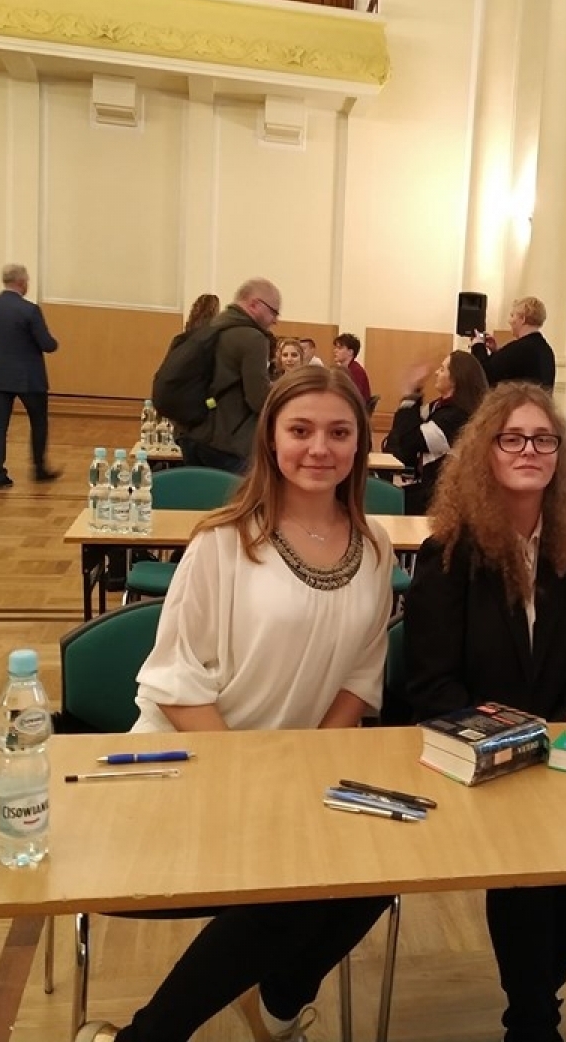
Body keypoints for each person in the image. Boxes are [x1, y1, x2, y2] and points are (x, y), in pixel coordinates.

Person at [75, 366, 395, 1042]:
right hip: (189, 760)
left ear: (359, 445)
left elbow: (363, 673)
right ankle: (149, 1036)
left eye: (339, 433)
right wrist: (260, 773)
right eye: (300, 430)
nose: (320, 448)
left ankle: (281, 996)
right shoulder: (222, 541)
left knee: (381, 864)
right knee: (288, 883)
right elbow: (175, 678)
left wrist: (309, 764)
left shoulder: (374, 547)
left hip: (298, 770)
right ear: (271, 441)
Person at [401, 381, 566, 1042]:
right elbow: (431, 683)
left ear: (560, 455)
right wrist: (504, 742)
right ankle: (532, 1016)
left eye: (543, 439)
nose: (529, 450)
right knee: (529, 858)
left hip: (553, 750)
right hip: (471, 752)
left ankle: (536, 991)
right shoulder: (449, 554)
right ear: (486, 453)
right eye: (512, 438)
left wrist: (557, 737)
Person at [178, 278, 279, 474]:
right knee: (237, 502)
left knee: (198, 501)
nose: (275, 320)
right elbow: (258, 399)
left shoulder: (209, 328)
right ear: (254, 305)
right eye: (273, 312)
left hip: (190, 435)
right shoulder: (253, 338)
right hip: (228, 442)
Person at [0, 264, 60, 490]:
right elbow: (47, 344)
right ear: (22, 282)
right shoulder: (30, 310)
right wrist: (54, 340)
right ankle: (38, 468)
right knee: (38, 421)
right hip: (29, 377)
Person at [383, 350, 488, 515]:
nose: (437, 373)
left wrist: (410, 395)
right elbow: (399, 440)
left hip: (439, 499)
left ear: (455, 379)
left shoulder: (457, 417)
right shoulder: (438, 407)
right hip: (426, 488)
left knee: (385, 500)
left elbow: (410, 441)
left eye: (442, 369)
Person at [470, 296, 554, 390]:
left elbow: (484, 375)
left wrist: (478, 345)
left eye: (512, 315)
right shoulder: (546, 350)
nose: (509, 321)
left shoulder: (519, 349)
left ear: (522, 319)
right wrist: (496, 351)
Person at [331, 333, 371, 404]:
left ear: (350, 352)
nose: (335, 351)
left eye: (339, 348)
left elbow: (353, 397)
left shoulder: (356, 371)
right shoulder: (344, 369)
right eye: (335, 347)